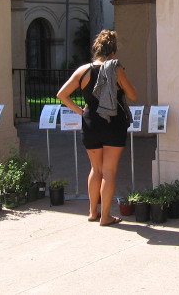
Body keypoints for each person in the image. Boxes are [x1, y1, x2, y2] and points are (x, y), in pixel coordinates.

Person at [57, 30, 137, 226]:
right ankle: (106, 216)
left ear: (96, 50)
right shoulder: (115, 69)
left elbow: (62, 94)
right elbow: (132, 95)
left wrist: (80, 111)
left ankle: (93, 212)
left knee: (95, 169)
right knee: (109, 172)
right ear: (113, 51)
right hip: (113, 123)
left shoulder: (82, 71)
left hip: (91, 122)